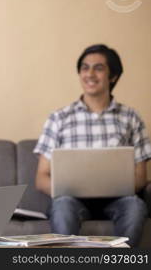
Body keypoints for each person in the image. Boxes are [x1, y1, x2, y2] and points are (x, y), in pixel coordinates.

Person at [34, 44, 151, 247]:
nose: (90, 74)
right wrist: (64, 188)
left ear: (113, 76)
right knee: (61, 205)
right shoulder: (59, 118)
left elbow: (141, 176)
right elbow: (41, 176)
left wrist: (113, 186)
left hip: (120, 199)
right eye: (85, 68)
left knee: (135, 206)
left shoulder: (131, 118)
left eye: (98, 68)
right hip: (71, 199)